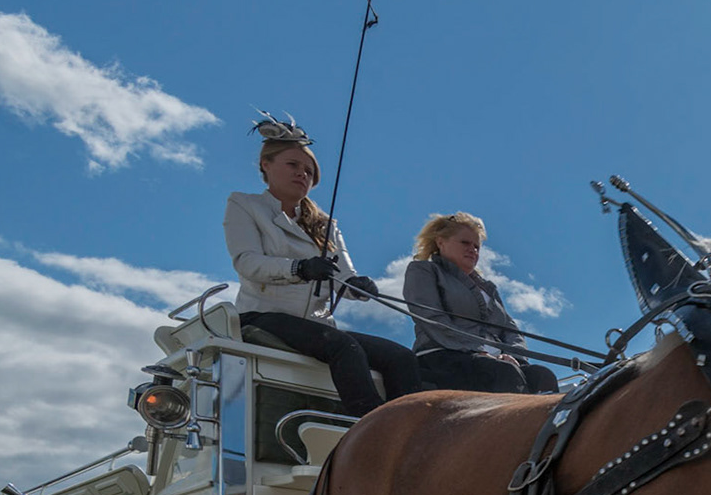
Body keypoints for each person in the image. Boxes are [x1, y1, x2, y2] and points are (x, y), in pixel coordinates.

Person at [223, 115, 423, 417]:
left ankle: (410, 430)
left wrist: (359, 286)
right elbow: (247, 262)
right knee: (344, 347)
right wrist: (298, 268)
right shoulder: (244, 205)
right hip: (263, 315)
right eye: (293, 165)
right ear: (266, 164)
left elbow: (343, 275)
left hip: (317, 325)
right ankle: (369, 428)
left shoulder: (325, 224)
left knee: (402, 358)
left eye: (308, 171)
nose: (302, 174)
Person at [405, 212, 559, 395]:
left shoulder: (488, 288)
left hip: (495, 361)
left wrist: (515, 355)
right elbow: (431, 317)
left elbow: (511, 330)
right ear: (441, 242)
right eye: (465, 243)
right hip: (444, 355)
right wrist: (474, 349)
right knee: (502, 372)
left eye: (477, 246)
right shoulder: (424, 270)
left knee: (542, 376)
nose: (473, 250)